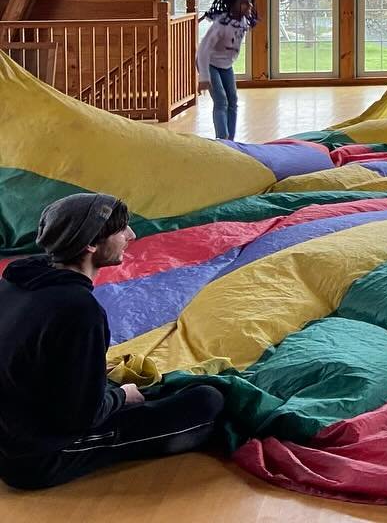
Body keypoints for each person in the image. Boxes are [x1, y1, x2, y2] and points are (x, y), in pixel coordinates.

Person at [0, 193, 224, 489]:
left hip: (12, 424)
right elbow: (80, 417)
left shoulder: (13, 283)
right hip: (35, 457)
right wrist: (122, 395)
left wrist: (94, 375)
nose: (131, 235)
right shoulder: (78, 309)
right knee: (206, 402)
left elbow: (27, 360)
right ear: (91, 244)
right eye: (121, 230)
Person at [195, 0, 259, 140]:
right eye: (245, 3)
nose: (249, 6)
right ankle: (222, 139)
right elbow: (203, 49)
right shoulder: (221, 25)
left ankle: (231, 140)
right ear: (233, 5)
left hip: (226, 65)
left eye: (250, 3)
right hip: (209, 63)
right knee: (221, 100)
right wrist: (204, 77)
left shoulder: (244, 21)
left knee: (233, 100)